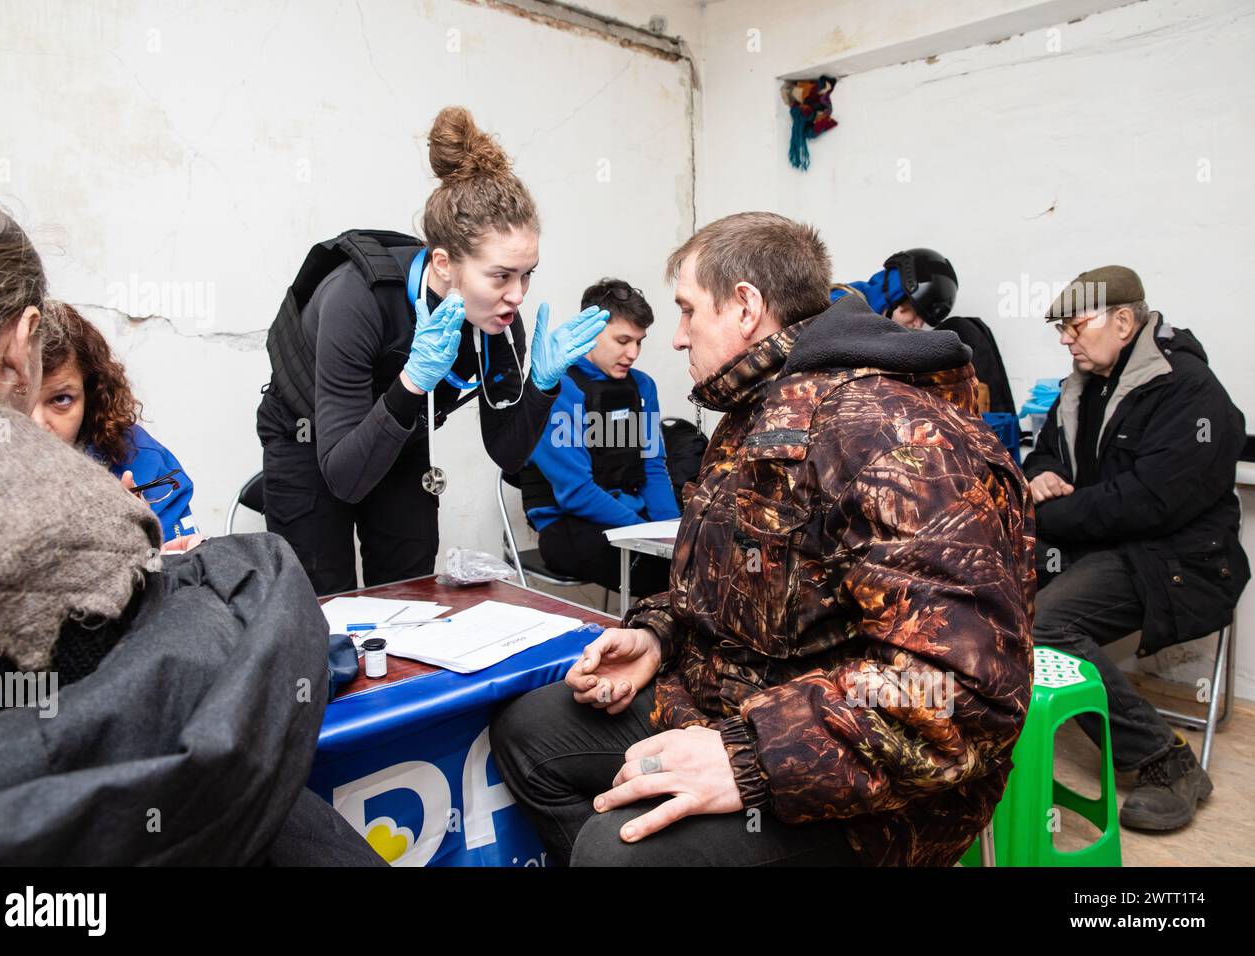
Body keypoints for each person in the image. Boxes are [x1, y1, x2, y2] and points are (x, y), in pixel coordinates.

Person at [491, 212, 1035, 867]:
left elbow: (957, 694)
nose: (678, 338)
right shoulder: (759, 412)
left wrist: (748, 758)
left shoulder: (897, 438)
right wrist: (658, 634)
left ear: (745, 306)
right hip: (730, 701)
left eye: (689, 312)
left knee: (618, 852)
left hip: (871, 788)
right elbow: (732, 584)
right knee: (527, 733)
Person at [0, 183, 381, 865]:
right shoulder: (63, 508)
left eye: (65, 400)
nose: (40, 419)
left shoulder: (136, 463)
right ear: (20, 346)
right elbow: (155, 730)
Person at [258, 106, 609, 595]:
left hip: (398, 429)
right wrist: (414, 381)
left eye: (527, 273)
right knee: (322, 604)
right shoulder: (356, 300)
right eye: (502, 275)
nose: (518, 294)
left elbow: (507, 452)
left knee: (410, 589)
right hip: (310, 436)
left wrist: (541, 388)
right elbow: (344, 477)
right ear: (443, 262)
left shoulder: (499, 321)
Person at [1024, 265, 1248, 832]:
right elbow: (1044, 453)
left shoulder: (1190, 392)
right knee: (978, 580)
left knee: (1045, 623)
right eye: (1061, 331)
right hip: (1099, 546)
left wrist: (1046, 511)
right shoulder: (1082, 386)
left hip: (1176, 560)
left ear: (1123, 322)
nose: (1065, 340)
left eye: (1074, 327)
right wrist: (1043, 476)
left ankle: (1166, 761)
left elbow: (1145, 504)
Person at [518, 279, 680, 597]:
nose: (632, 353)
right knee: (666, 579)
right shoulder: (558, 389)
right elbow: (576, 493)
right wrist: (644, 534)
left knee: (698, 561)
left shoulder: (642, 387)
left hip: (630, 517)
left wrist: (674, 533)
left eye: (639, 342)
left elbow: (653, 468)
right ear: (590, 331)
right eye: (622, 340)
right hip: (568, 525)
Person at [33, 300, 197, 543]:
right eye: (20, 397)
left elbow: (182, 565)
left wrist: (143, 540)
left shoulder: (141, 462)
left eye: (61, 399)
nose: (38, 424)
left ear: (90, 396)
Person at [836, 248, 1016, 414]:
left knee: (966, 328)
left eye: (924, 320)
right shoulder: (839, 303)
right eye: (917, 314)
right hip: (848, 412)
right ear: (897, 298)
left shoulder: (892, 335)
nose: (918, 324)